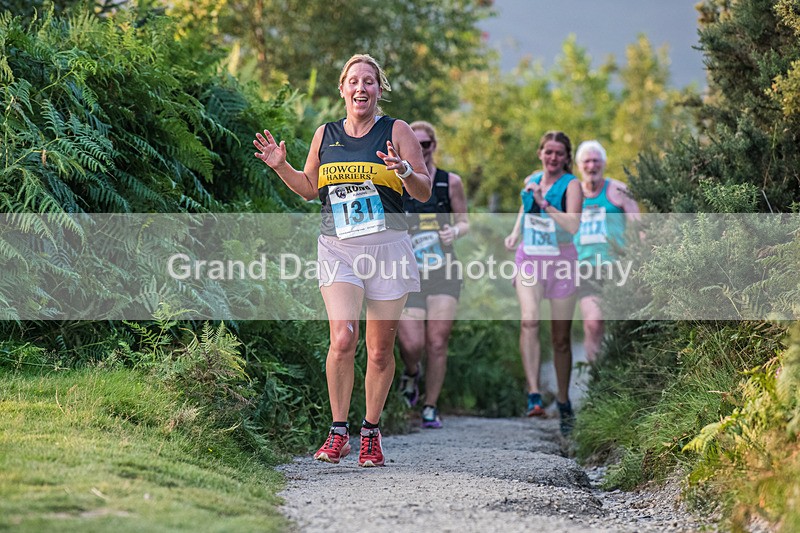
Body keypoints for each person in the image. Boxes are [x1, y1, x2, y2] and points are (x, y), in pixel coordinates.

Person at [253, 54, 431, 467]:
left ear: (379, 90)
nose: (361, 88)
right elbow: (309, 188)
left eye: (369, 81)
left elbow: (422, 190)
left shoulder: (397, 131)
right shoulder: (325, 134)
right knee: (343, 338)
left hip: (388, 250)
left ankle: (370, 431)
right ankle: (338, 432)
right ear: (342, 89)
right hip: (339, 249)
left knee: (380, 351)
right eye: (353, 81)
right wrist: (281, 167)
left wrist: (405, 170)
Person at [504, 131, 583, 436]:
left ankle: (563, 401)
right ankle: (534, 393)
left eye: (559, 153)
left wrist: (544, 203)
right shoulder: (531, 180)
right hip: (530, 256)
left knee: (560, 338)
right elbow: (525, 208)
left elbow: (573, 225)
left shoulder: (571, 185)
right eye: (548, 151)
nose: (553, 157)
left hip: (561, 260)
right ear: (540, 153)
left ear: (566, 157)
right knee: (529, 320)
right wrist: (515, 233)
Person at [396, 121, 469, 429]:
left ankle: (430, 406)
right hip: (407, 272)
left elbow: (464, 221)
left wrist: (455, 231)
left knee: (437, 341)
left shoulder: (450, 182)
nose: (421, 149)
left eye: (425, 144)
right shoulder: (394, 179)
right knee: (413, 344)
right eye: (415, 144)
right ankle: (412, 372)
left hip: (443, 271)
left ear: (433, 146)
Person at [574, 140, 641, 364]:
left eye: (596, 160)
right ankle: (595, 374)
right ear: (579, 165)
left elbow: (638, 226)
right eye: (586, 161)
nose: (591, 166)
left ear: (603, 163)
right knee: (593, 323)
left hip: (618, 265)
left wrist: (640, 256)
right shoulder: (571, 194)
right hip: (585, 267)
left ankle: (620, 372)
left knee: (623, 325)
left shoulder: (619, 190)